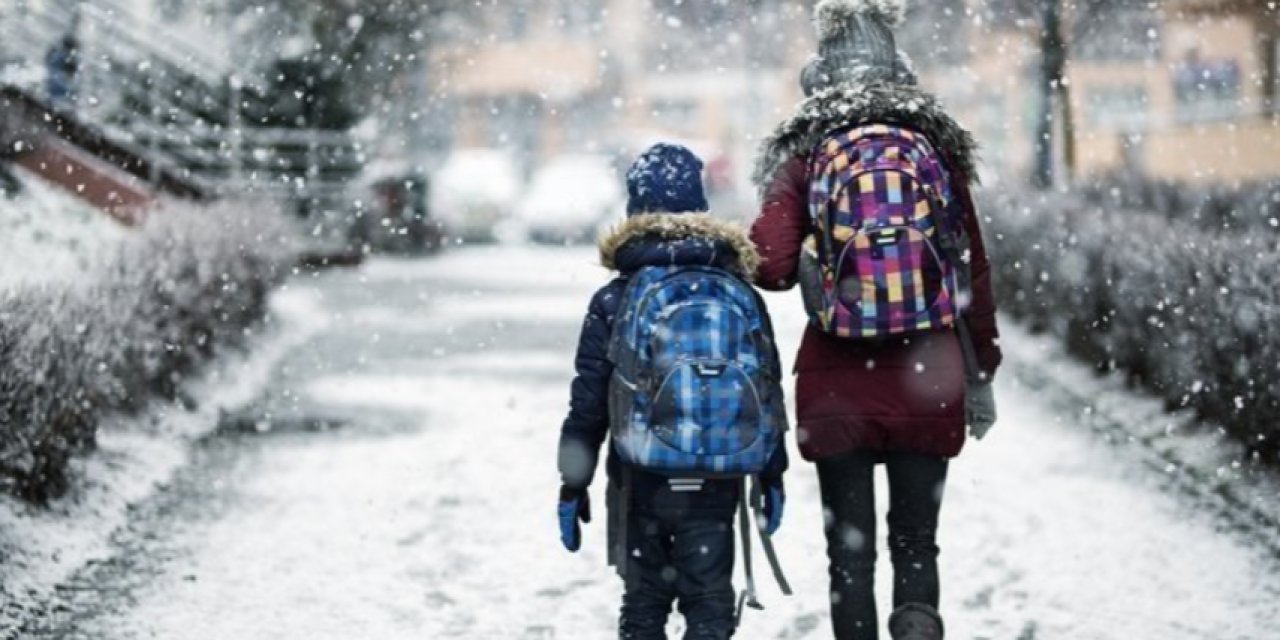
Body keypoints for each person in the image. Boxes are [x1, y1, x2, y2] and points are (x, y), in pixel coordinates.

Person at [748, 1, 1001, 639]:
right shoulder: (933, 150)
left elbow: (771, 265)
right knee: (916, 542)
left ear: (818, 76)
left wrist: (817, 265)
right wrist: (982, 371)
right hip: (930, 373)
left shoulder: (807, 153)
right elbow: (972, 269)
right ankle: (917, 625)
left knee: (850, 555)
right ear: (900, 70)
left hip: (839, 382)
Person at [557, 143, 789, 639]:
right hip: (719, 470)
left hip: (643, 472)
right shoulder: (736, 286)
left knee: (644, 601)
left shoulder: (617, 296)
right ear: (700, 207)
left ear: (635, 209)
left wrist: (572, 484)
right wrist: (773, 471)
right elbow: (767, 386)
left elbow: (589, 402)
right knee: (709, 599)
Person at [45, 33, 80, 111]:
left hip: (51, 81)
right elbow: (73, 71)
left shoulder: (55, 53)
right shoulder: (69, 58)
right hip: (60, 86)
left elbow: (47, 60)